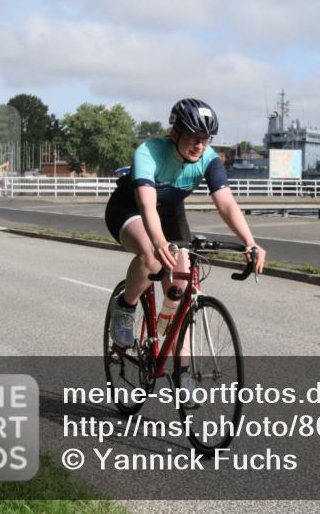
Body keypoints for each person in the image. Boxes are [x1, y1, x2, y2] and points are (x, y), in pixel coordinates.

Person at [105, 98, 266, 357]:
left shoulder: (208, 158)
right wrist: (158, 243)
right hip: (129, 209)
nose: (200, 145)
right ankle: (125, 307)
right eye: (193, 137)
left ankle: (181, 365)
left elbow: (225, 203)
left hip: (170, 212)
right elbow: (147, 206)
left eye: (206, 138)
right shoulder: (149, 152)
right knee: (152, 256)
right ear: (175, 133)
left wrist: (250, 241)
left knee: (182, 287)